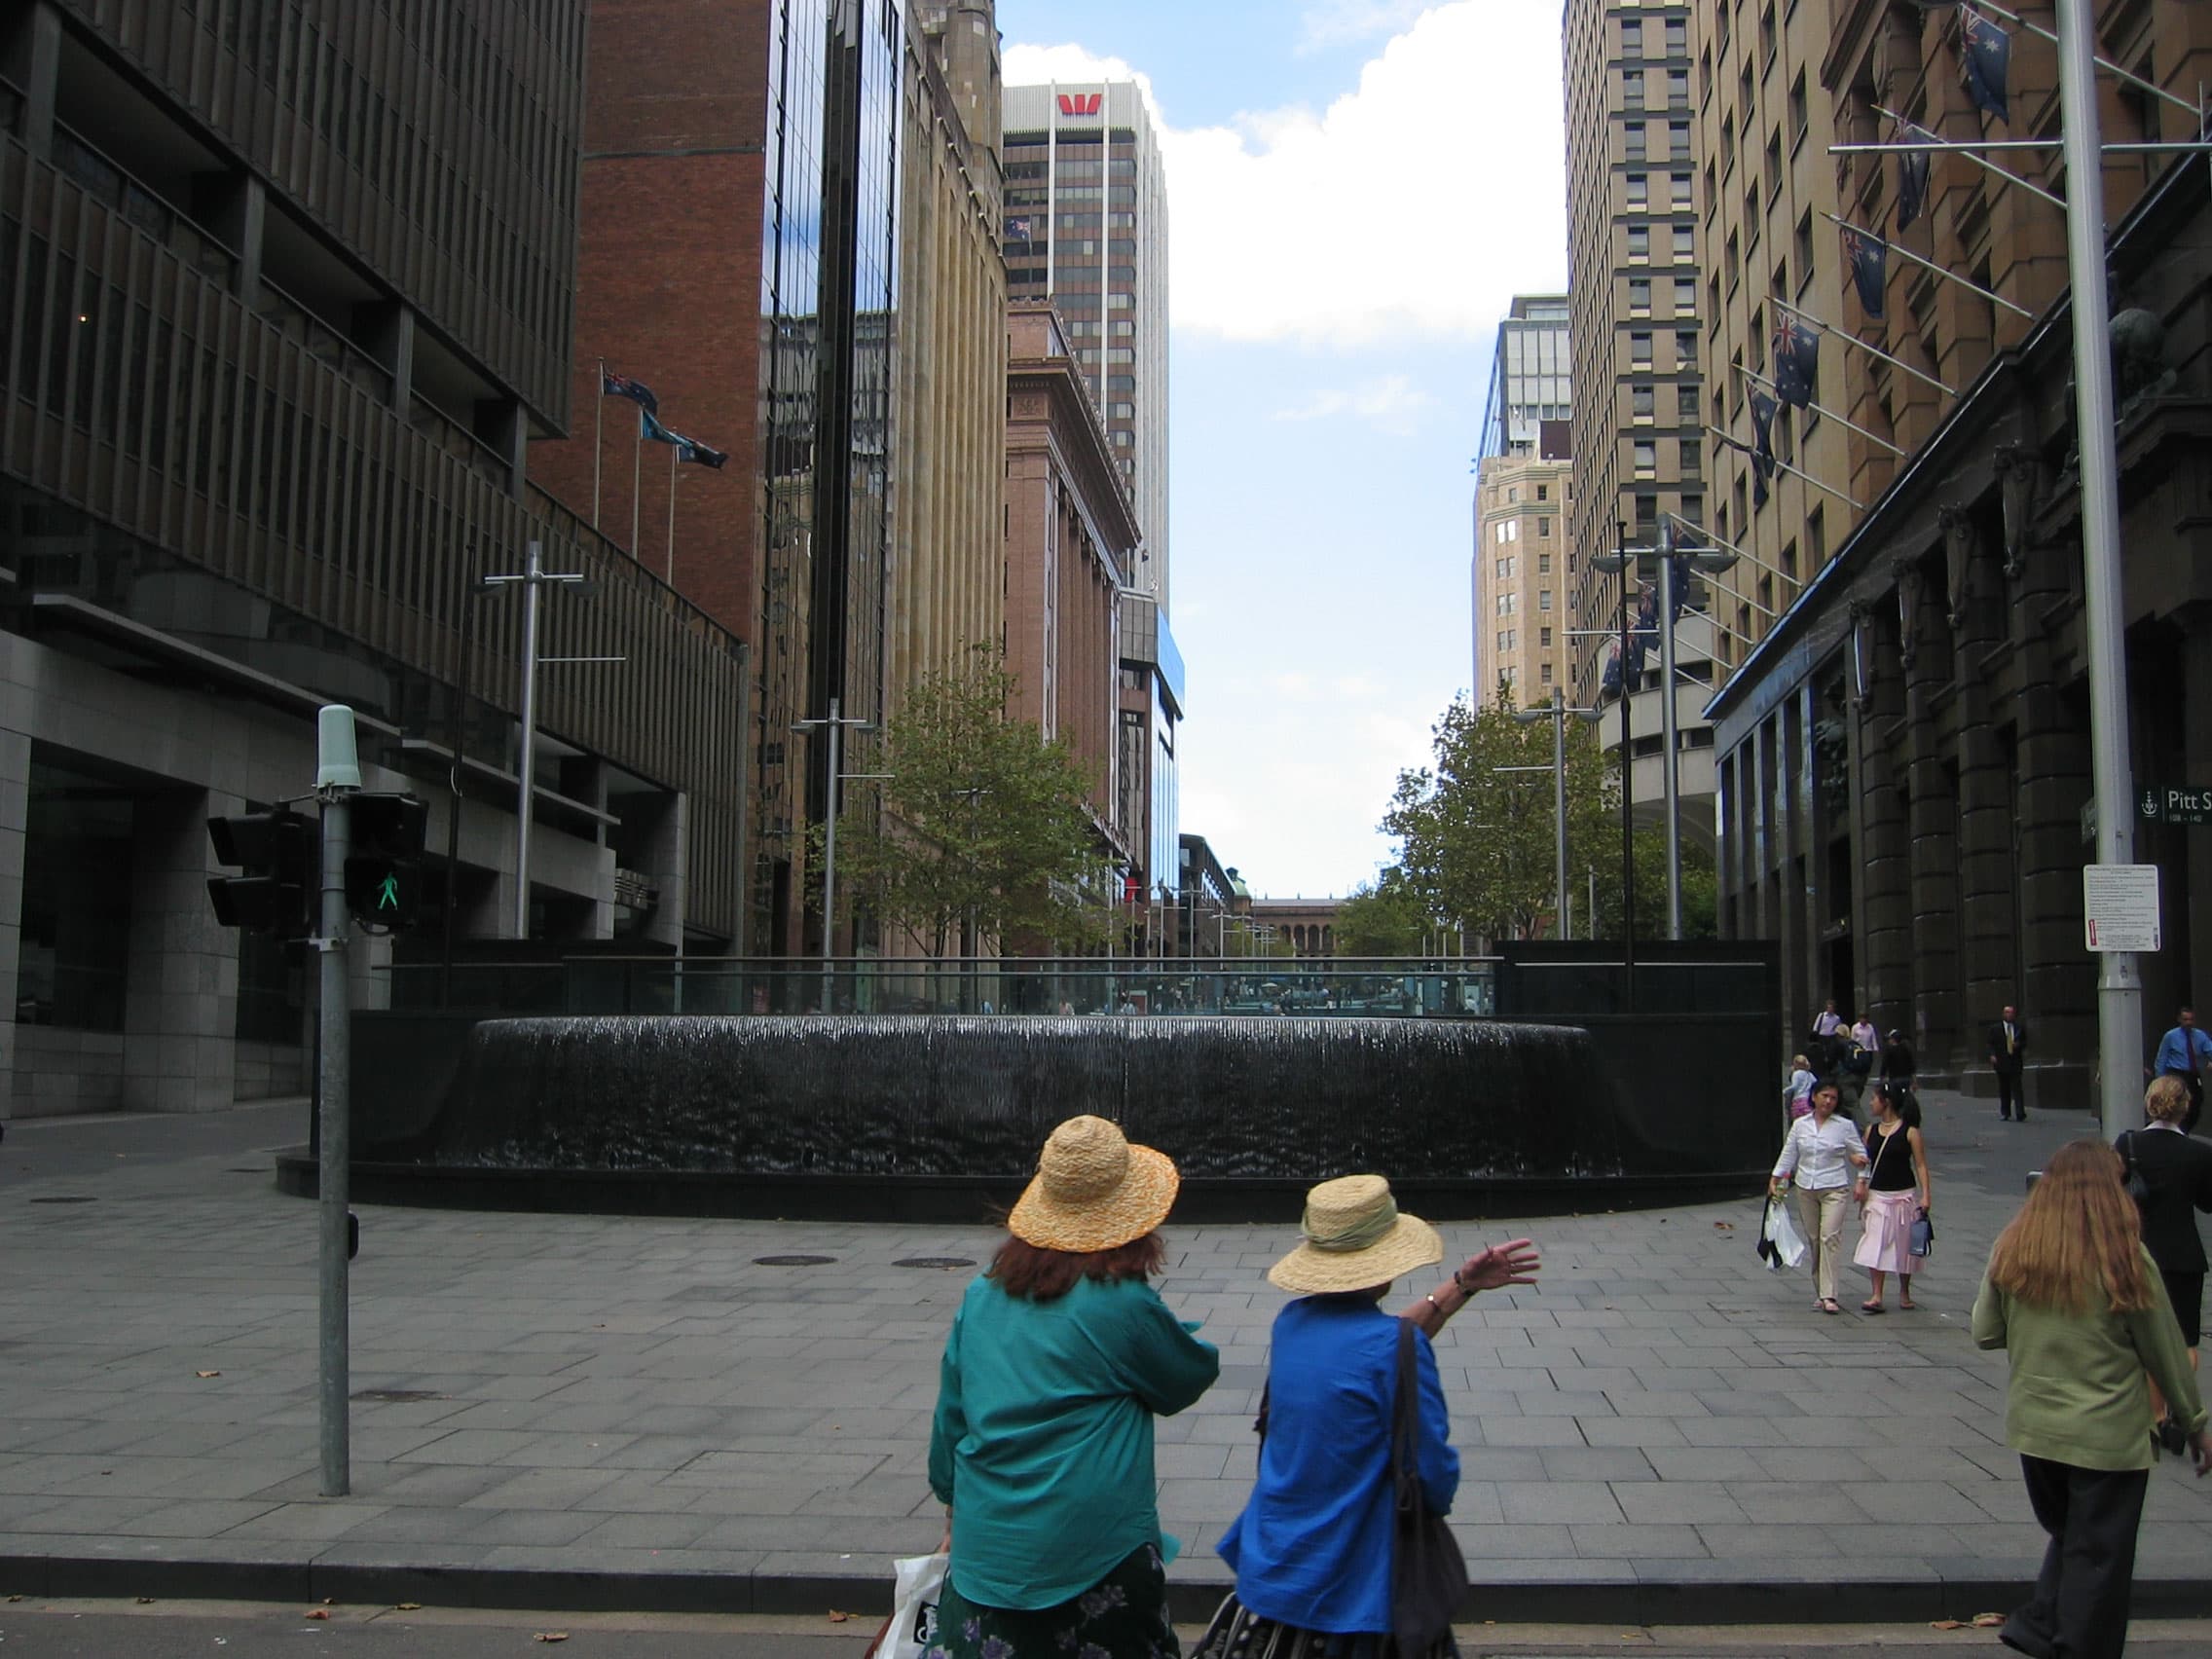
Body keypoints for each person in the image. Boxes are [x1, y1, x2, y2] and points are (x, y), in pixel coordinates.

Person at [1198, 1175, 1540, 1657]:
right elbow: (1431, 1471)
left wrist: (1459, 1287)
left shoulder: (1290, 1324)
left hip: (1278, 1566)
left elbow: (1367, 1349)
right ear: (1386, 1262)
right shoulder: (1393, 1349)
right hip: (1357, 1585)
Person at [926, 1116, 1219, 1659]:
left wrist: (952, 1508)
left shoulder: (981, 1294)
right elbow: (1185, 1378)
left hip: (988, 1552)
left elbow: (952, 1418)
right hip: (1097, 1557)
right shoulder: (1124, 1304)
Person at [1972, 1141, 2210, 1659]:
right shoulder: (2125, 1257)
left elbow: (1985, 1332)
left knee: (2075, 1537)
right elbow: (2166, 1350)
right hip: (2108, 1437)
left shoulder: (2016, 1247)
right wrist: (2195, 1424)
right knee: (2101, 1558)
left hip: (2037, 1433)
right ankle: (2069, 1642)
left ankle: (2038, 1623)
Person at [2118, 1077, 2212, 1450]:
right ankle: (2176, 1410)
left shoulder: (2127, 1145)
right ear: (2184, 1107)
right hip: (2184, 1257)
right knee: (2185, 1339)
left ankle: (2154, 1416)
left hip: (2137, 1252)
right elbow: (2207, 1203)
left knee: (2142, 1335)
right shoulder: (2200, 1153)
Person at [1770, 1081, 1868, 1314]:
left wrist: (1862, 1178)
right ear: (1814, 1097)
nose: (1828, 1102)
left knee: (1829, 1237)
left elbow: (1861, 1155)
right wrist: (1775, 1178)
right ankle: (1820, 1290)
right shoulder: (1800, 1125)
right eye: (1824, 1096)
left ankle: (1829, 1294)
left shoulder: (1843, 1126)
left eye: (1833, 1098)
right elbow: (1789, 1153)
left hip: (1834, 1187)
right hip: (1806, 1187)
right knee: (1814, 1239)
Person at [1853, 1081, 1932, 1312]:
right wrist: (1860, 1182)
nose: (1871, 1103)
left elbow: (1920, 1165)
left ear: (1885, 1102)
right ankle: (1876, 1293)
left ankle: (1904, 1291)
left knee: (1904, 1244)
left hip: (1903, 1194)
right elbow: (1865, 1162)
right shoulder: (1871, 1130)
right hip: (1877, 1195)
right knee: (1875, 1241)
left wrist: (1925, 1195)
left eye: (1874, 1099)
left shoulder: (1910, 1132)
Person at [2154, 1007, 2212, 1133]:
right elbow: (2162, 1058)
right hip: (2177, 1073)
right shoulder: (2170, 1036)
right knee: (2177, 1102)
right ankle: (2177, 1129)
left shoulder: (2200, 1036)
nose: (2188, 1023)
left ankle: (2185, 1130)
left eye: (2191, 1020)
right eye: (2185, 1019)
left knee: (2196, 1103)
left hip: (2192, 1074)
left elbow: (2210, 1050)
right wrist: (2160, 1080)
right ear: (2180, 1020)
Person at [1988, 1004, 2029, 1122]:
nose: (2009, 1014)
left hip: (2015, 1062)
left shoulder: (2019, 1027)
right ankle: (2005, 1112)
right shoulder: (1995, 1029)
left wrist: (2019, 1045)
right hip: (2001, 1062)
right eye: (2007, 1012)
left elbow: (2025, 1042)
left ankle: (2020, 1112)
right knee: (2004, 1088)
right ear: (2003, 1014)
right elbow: (1990, 1043)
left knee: (2017, 1088)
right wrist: (1992, 1055)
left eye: (2011, 1012)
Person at [1784, 1054, 1817, 1122]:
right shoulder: (1810, 1074)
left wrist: (1784, 1091)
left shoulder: (1796, 1073)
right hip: (1808, 1101)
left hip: (1798, 1101)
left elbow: (1794, 1086)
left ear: (1795, 1064)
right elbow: (1816, 1083)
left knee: (1798, 1123)